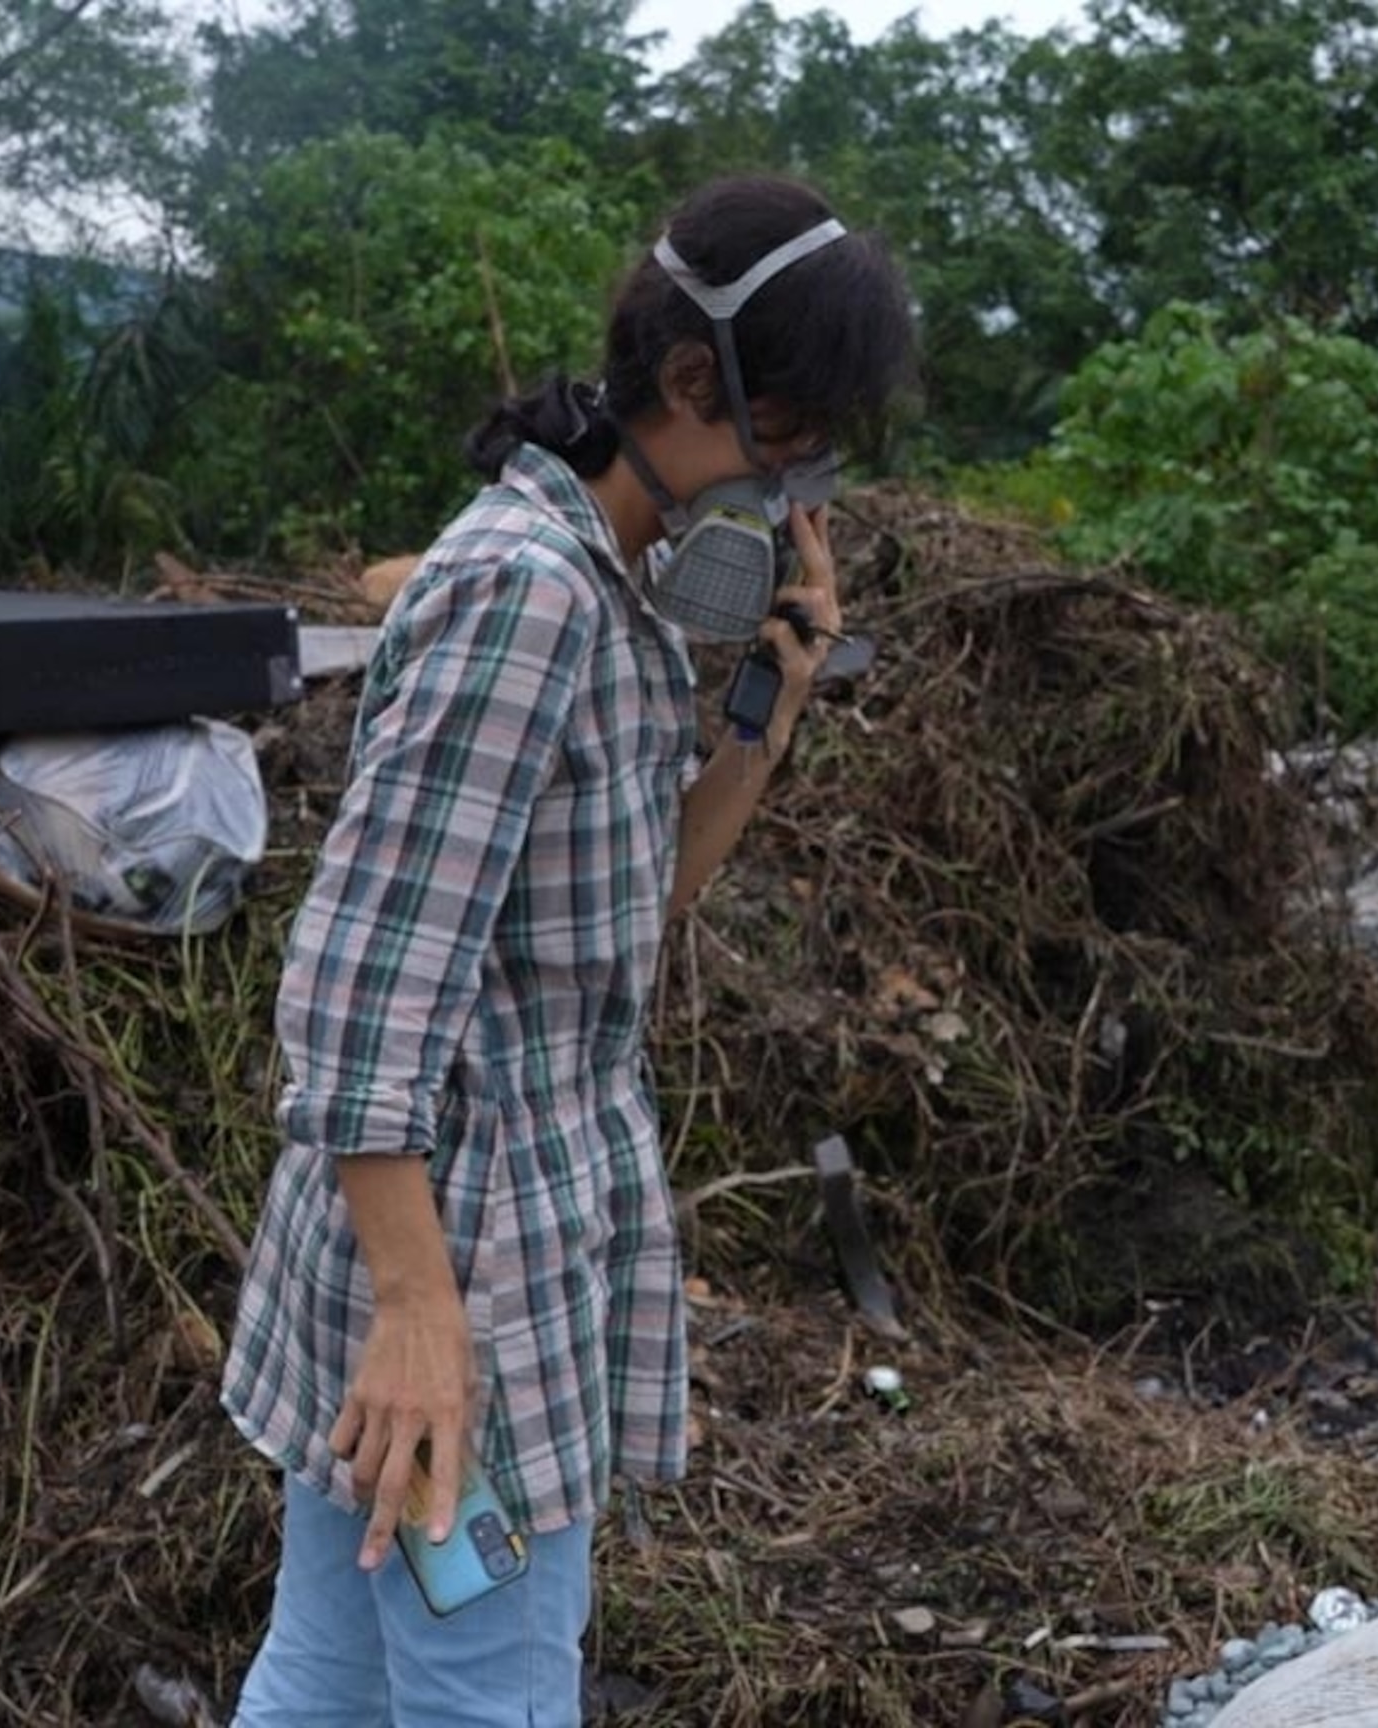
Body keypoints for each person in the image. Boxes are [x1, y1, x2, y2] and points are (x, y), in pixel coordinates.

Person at [220, 175, 918, 1726]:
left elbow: (625, 907)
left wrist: (769, 702)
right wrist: (421, 1321)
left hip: (497, 1222)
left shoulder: (614, 599)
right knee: (492, 1694)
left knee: (334, 1671)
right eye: (790, 446)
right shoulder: (524, 594)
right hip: (462, 1248)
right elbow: (354, 983)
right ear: (691, 385)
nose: (798, 492)